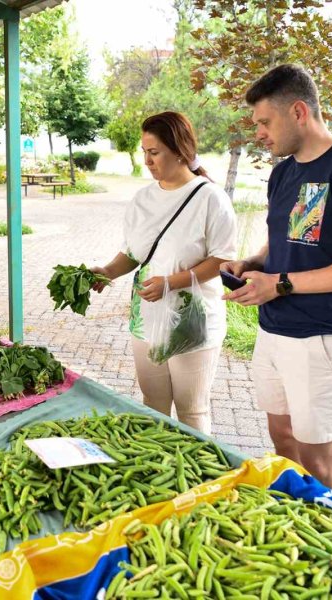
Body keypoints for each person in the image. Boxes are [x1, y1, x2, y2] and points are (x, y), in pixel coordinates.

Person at [222, 65, 332, 496]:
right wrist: (253, 262)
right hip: (273, 330)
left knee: (320, 460)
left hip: (320, 337)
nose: (258, 133)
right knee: (283, 440)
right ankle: (299, 522)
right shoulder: (284, 172)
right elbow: (287, 237)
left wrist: (279, 284)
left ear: (298, 112)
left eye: (264, 122)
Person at [89, 112, 237, 434]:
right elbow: (134, 253)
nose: (147, 161)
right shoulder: (143, 199)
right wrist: (107, 271)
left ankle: (196, 465)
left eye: (154, 152)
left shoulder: (210, 198)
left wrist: (172, 283)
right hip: (147, 319)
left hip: (192, 321)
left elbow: (222, 259)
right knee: (153, 403)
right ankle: (159, 462)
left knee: (191, 410)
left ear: (180, 151)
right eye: (144, 152)